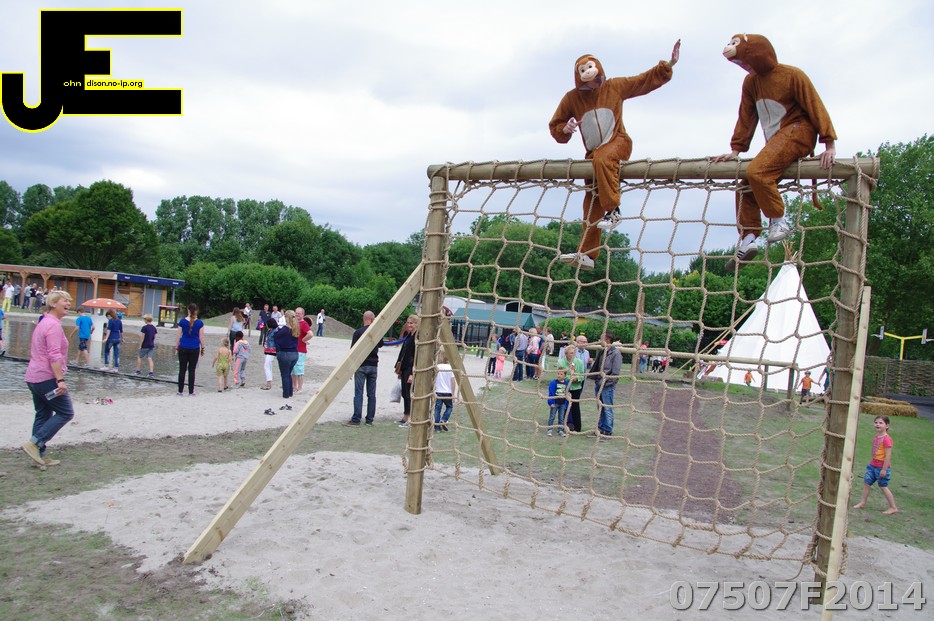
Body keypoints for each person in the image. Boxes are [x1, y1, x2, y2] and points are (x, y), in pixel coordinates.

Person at [549, 41, 681, 269]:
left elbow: (642, 81)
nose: (590, 76)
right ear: (579, 77)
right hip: (593, 155)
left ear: (599, 69)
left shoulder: (614, 87)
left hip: (618, 143)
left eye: (591, 69)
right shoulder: (572, 99)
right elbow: (555, 127)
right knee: (592, 199)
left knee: (603, 158)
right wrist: (566, 129)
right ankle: (587, 254)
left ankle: (613, 210)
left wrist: (667, 65)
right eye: (583, 72)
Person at [711, 34, 837, 271]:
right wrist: (736, 150)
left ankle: (778, 220)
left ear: (757, 54)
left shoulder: (792, 75)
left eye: (746, 61)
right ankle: (748, 238)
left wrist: (828, 144)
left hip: (800, 131)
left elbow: (815, 105)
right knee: (746, 184)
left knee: (758, 172)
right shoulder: (750, 83)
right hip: (777, 141)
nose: (745, 68)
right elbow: (746, 116)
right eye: (741, 65)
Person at [21, 290, 75, 469]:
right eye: (64, 301)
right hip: (46, 378)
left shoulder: (44, 322)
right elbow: (54, 355)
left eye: (69, 301)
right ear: (53, 303)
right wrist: (60, 380)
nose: (68, 304)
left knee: (43, 414)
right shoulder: (52, 325)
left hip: (33, 377)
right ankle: (35, 443)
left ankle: (39, 456)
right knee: (66, 412)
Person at [853, 416, 899, 515]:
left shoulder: (887, 439)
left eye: (881, 423)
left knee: (883, 486)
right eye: (876, 422)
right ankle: (863, 502)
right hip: (872, 465)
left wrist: (884, 469)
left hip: (881, 467)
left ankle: (893, 507)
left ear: (887, 426)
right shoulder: (877, 436)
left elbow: (888, 455)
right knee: (867, 482)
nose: (878, 424)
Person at [344, 310, 383, 427]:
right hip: (373, 365)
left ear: (364, 319)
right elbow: (381, 344)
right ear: (372, 319)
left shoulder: (358, 332)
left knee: (358, 393)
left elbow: (353, 351)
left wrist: (350, 368)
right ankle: (369, 420)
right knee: (371, 394)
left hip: (361, 365)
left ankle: (356, 419)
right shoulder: (376, 331)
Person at [593, 333, 622, 437]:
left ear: (608, 340)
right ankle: (601, 428)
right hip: (599, 383)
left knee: (607, 408)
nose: (599, 340)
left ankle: (608, 430)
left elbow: (615, 372)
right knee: (600, 407)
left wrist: (607, 383)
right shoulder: (603, 351)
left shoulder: (615, 353)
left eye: (601, 339)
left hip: (607, 385)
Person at [175, 303, 205, 396]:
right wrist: (203, 347)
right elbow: (201, 337)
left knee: (182, 370)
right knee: (192, 370)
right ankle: (191, 391)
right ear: (196, 311)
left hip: (183, 346)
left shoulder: (182, 322)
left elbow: (178, 335)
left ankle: (180, 391)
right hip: (194, 347)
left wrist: (177, 346)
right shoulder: (200, 323)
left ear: (188, 310)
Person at [395, 314, 419, 428]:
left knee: (409, 394)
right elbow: (403, 352)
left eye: (411, 323)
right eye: (408, 323)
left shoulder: (417, 337)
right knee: (405, 393)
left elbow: (416, 356)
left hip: (411, 368)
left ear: (417, 324)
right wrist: (399, 368)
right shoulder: (409, 335)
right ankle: (405, 416)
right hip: (405, 367)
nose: (409, 325)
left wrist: (412, 374)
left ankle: (410, 418)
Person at [556, 344, 585, 433]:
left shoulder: (579, 362)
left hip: (576, 387)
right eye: (571, 353)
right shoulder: (561, 362)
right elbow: (561, 375)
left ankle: (577, 428)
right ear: (566, 354)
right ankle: (564, 425)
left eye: (574, 353)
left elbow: (582, 375)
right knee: (563, 406)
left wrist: (577, 378)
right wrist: (570, 377)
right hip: (564, 387)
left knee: (575, 407)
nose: (573, 354)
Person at [274, 310, 301, 400]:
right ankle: (290, 392)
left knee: (285, 374)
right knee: (288, 373)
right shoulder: (295, 328)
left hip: (285, 353)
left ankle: (286, 394)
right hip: (295, 353)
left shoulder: (285, 329)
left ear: (287, 318)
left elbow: (276, 337)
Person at [432, 350, 457, 432]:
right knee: (449, 407)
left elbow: (433, 379)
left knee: (437, 409)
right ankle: (444, 419)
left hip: (438, 392)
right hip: (447, 392)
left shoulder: (437, 367)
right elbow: (453, 381)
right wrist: (453, 394)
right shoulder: (450, 367)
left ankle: (437, 427)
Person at [293, 307, 314, 394]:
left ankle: (300, 388)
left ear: (303, 314)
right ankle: (294, 387)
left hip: (300, 350)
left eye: (299, 313)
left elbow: (310, 334)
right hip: (293, 349)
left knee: (299, 369)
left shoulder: (304, 323)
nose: (297, 314)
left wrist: (303, 340)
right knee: (293, 369)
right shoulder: (294, 323)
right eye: (296, 313)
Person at [546, 368, 569, 437]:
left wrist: (568, 396)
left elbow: (567, 392)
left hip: (562, 403)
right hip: (555, 403)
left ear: (565, 376)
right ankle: (549, 429)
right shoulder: (553, 383)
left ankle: (560, 430)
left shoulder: (566, 383)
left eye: (561, 374)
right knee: (552, 416)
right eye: (558, 374)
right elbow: (551, 393)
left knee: (561, 417)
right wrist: (551, 402)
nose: (559, 375)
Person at [135, 313, 157, 377]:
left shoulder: (144, 327)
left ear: (146, 320)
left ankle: (138, 371)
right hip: (151, 345)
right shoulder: (154, 328)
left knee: (139, 357)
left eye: (144, 319)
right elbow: (154, 337)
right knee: (150, 358)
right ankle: (151, 372)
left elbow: (142, 337)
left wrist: (140, 345)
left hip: (145, 345)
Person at [261, 317, 279, 390]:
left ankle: (269, 382)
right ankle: (269, 382)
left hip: (272, 350)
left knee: (266, 365)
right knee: (269, 366)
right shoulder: (270, 331)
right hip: (267, 349)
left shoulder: (275, 331)